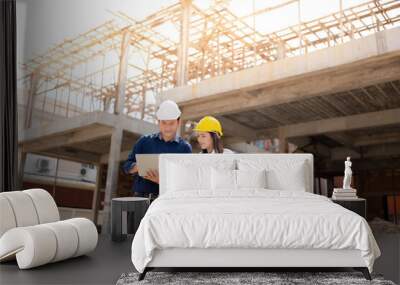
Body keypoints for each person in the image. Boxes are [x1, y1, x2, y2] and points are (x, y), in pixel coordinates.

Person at [122, 100, 192, 199]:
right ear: (158, 122)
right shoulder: (144, 141)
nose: (167, 128)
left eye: (171, 123)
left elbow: (185, 181)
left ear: (178, 122)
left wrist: (161, 181)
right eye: (164, 123)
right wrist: (139, 166)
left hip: (167, 200)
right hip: (140, 199)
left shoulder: (184, 148)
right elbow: (126, 166)